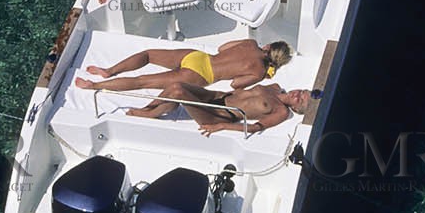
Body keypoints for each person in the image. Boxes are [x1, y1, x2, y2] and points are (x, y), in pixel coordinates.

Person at [74, 39, 293, 93]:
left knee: (148, 55)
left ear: (268, 45)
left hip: (199, 57)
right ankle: (93, 86)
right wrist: (263, 76)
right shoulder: (259, 71)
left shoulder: (251, 43)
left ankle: (109, 71)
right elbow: (236, 84)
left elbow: (222, 48)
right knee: (143, 82)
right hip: (203, 75)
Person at [126, 80, 312, 135]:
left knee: (177, 91)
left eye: (300, 101)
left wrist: (221, 126)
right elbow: (240, 88)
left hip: (218, 114)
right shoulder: (276, 86)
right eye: (301, 91)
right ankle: (149, 107)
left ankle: (150, 114)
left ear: (296, 109)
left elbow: (256, 127)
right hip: (217, 96)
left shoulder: (281, 112)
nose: (297, 95)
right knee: (176, 84)